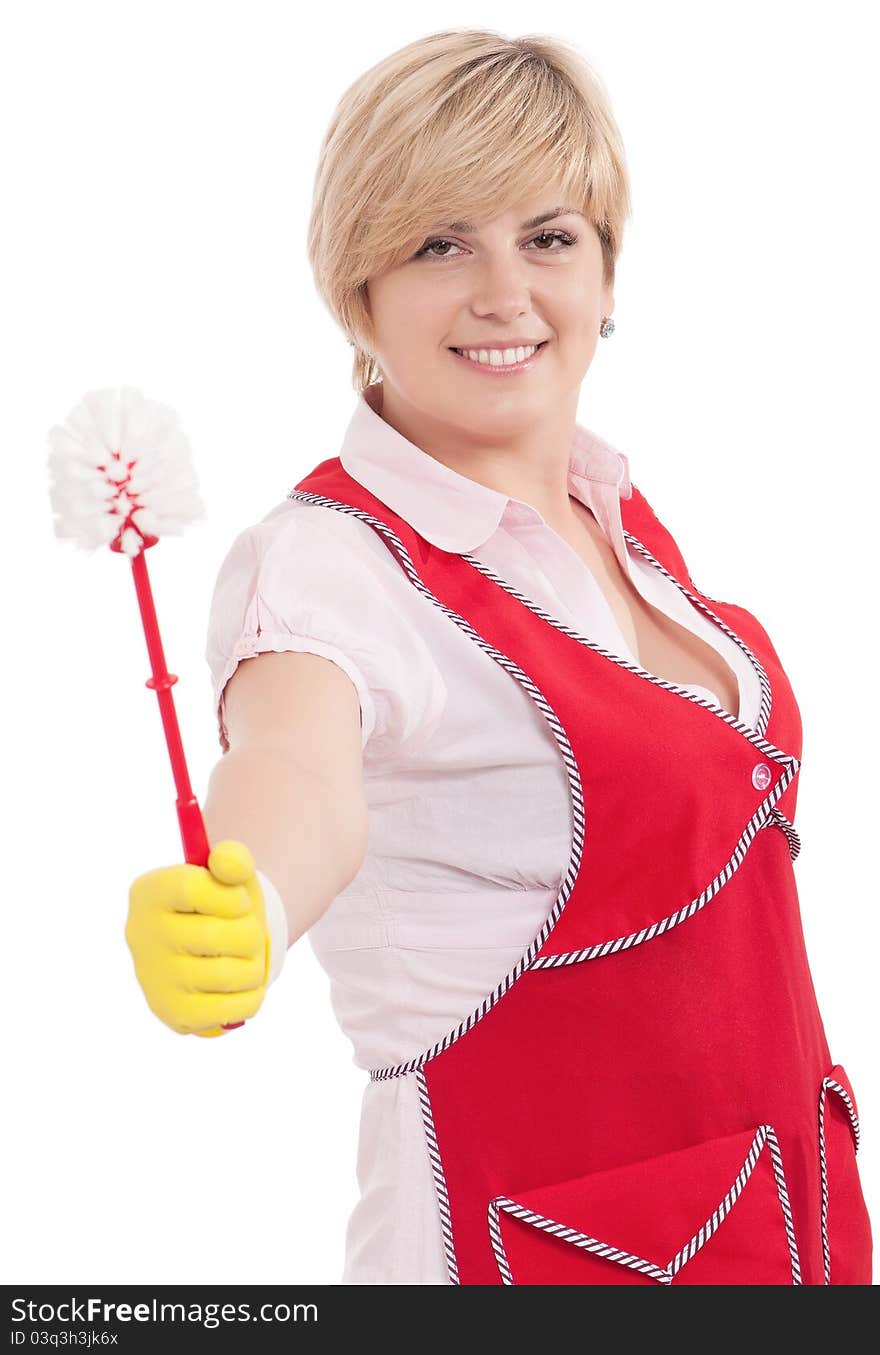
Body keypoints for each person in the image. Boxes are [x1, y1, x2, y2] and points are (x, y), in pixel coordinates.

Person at [125, 27, 873, 1286]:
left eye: (548, 236)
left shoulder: (616, 518)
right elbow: (301, 766)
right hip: (533, 1252)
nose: (503, 292)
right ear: (354, 290)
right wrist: (247, 899)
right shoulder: (326, 564)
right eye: (438, 244)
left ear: (606, 274)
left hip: (779, 1215)